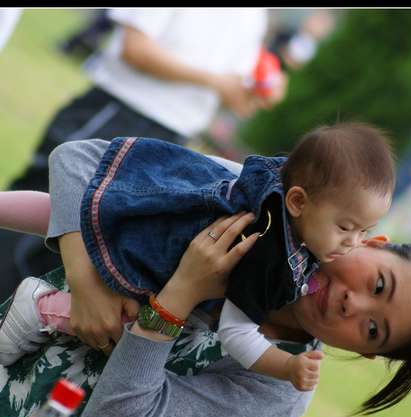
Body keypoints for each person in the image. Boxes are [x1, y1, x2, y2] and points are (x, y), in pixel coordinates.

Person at [0, 209, 411, 417]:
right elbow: (80, 168)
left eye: (373, 329)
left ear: (364, 352)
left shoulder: (278, 391)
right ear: (374, 242)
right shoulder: (258, 215)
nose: (355, 304)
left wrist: (181, 294)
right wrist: (83, 279)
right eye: (379, 284)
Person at [0, 122, 395, 392]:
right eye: (346, 227)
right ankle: (44, 307)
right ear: (297, 201)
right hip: (151, 263)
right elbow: (237, 332)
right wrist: (286, 367)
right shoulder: (271, 254)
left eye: (363, 232)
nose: (352, 242)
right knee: (133, 318)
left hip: (153, 212)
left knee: (93, 210)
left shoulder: (279, 193)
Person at [0, 7, 275, 303]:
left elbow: (235, 82)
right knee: (37, 223)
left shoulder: (255, 15)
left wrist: (255, 90)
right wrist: (218, 83)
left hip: (173, 139)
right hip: (121, 111)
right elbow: (135, 49)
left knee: (86, 245)